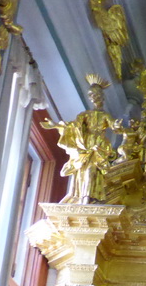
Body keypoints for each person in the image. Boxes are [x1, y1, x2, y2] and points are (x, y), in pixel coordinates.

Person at [42, 75, 120, 203]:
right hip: (85, 145)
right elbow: (73, 126)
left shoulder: (105, 115)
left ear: (101, 96)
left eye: (95, 94)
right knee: (82, 170)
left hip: (98, 145)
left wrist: (116, 125)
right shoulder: (84, 115)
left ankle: (88, 197)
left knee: (92, 170)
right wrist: (56, 125)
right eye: (90, 94)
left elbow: (113, 125)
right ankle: (81, 197)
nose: (93, 97)